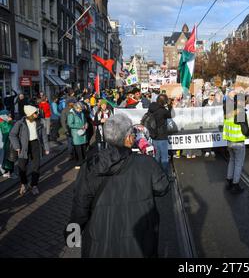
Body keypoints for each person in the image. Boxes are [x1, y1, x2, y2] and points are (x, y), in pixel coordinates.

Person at [66, 114, 170, 258]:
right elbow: (163, 187)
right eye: (133, 133)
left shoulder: (90, 166)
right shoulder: (147, 163)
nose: (134, 136)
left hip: (100, 245)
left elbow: (79, 207)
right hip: (139, 245)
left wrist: (72, 239)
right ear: (128, 139)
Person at [9, 105, 50, 196]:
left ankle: (34, 185)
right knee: (22, 167)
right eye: (36, 112)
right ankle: (24, 184)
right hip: (24, 147)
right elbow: (12, 135)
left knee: (36, 166)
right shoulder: (20, 123)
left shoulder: (39, 122)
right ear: (30, 114)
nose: (38, 114)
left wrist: (46, 147)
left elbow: (44, 136)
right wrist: (17, 146)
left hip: (35, 145)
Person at [223, 94, 249, 194]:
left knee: (232, 160)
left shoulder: (228, 111)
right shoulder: (240, 112)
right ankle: (235, 184)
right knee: (238, 163)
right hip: (238, 142)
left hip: (229, 141)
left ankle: (229, 181)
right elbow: (245, 129)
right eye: (245, 100)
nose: (246, 102)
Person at [146, 94, 173, 176]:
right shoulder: (163, 111)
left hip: (153, 136)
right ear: (163, 102)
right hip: (162, 136)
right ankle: (164, 175)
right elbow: (170, 115)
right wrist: (169, 105)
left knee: (157, 156)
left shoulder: (151, 108)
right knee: (164, 158)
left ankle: (155, 174)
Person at [68, 102, 88, 169]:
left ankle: (84, 161)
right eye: (79, 109)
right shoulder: (71, 114)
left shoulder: (82, 113)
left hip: (83, 132)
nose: (80, 110)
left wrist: (86, 124)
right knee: (78, 149)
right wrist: (80, 126)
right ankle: (78, 163)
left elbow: (84, 120)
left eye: (81, 109)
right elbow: (70, 124)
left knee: (83, 148)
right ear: (76, 108)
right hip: (76, 134)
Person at [202, 92, 219, 158]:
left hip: (213, 122)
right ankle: (207, 150)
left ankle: (213, 150)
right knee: (207, 135)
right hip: (206, 121)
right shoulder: (205, 102)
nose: (213, 96)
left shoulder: (216, 103)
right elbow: (201, 110)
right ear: (209, 95)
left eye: (214, 95)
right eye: (212, 95)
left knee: (213, 136)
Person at [0, 110, 15, 178]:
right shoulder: (2, 122)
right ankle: (7, 172)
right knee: (7, 158)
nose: (10, 115)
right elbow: (9, 130)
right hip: (6, 143)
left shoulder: (4, 121)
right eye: (8, 114)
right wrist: (11, 122)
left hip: (7, 143)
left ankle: (8, 172)